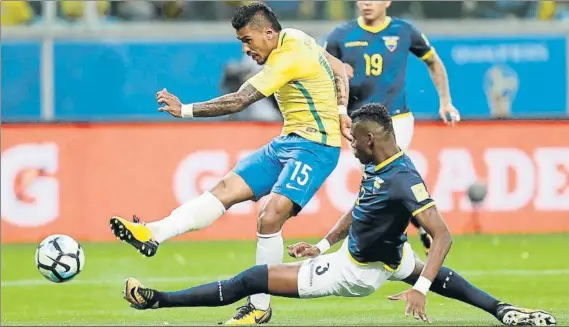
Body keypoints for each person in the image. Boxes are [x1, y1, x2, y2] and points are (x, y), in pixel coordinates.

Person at [121, 104, 556, 327]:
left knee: (253, 280)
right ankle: (504, 311)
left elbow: (442, 236)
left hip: (357, 270)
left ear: (370, 139)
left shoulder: (404, 178)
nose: (349, 144)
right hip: (380, 254)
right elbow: (359, 209)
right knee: (421, 269)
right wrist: (323, 243)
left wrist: (419, 290)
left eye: (354, 138)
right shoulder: (378, 166)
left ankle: (158, 301)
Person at [109, 2, 352, 325]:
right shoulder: (296, 36)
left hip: (317, 148)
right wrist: (341, 111)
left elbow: (240, 100)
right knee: (223, 189)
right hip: (288, 142)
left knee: (270, 216)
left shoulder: (287, 57)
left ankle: (259, 307)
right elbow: (339, 69)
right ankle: (152, 232)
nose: (245, 48)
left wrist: (184, 110)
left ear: (268, 33)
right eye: (241, 41)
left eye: (248, 40)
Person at [324, 1, 461, 255]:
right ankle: (417, 223)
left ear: (387, 2)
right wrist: (338, 72)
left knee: (385, 175)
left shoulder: (404, 30)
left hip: (396, 120)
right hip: (359, 125)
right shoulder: (340, 36)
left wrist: (445, 101)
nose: (366, 4)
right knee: (384, 180)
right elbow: (320, 71)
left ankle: (391, 236)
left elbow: (433, 62)